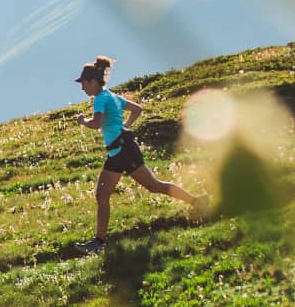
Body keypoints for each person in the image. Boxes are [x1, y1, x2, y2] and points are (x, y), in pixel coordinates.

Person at [73, 56, 208, 254]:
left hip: (124, 151)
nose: (82, 88)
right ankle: (99, 242)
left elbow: (96, 123)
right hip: (118, 150)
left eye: (83, 84)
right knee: (102, 195)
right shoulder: (113, 96)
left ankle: (198, 202)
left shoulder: (101, 99)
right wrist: (124, 127)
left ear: (92, 81)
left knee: (154, 186)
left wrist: (83, 121)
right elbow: (137, 109)